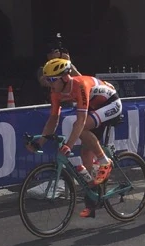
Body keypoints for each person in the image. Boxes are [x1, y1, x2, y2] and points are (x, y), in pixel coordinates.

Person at [36, 58, 122, 213]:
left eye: (52, 80)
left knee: (81, 129)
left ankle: (105, 162)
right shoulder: (56, 92)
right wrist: (40, 142)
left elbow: (81, 120)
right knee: (84, 152)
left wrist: (68, 145)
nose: (49, 83)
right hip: (95, 107)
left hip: (110, 103)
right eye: (47, 80)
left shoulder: (79, 85)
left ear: (64, 77)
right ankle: (94, 194)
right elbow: (53, 119)